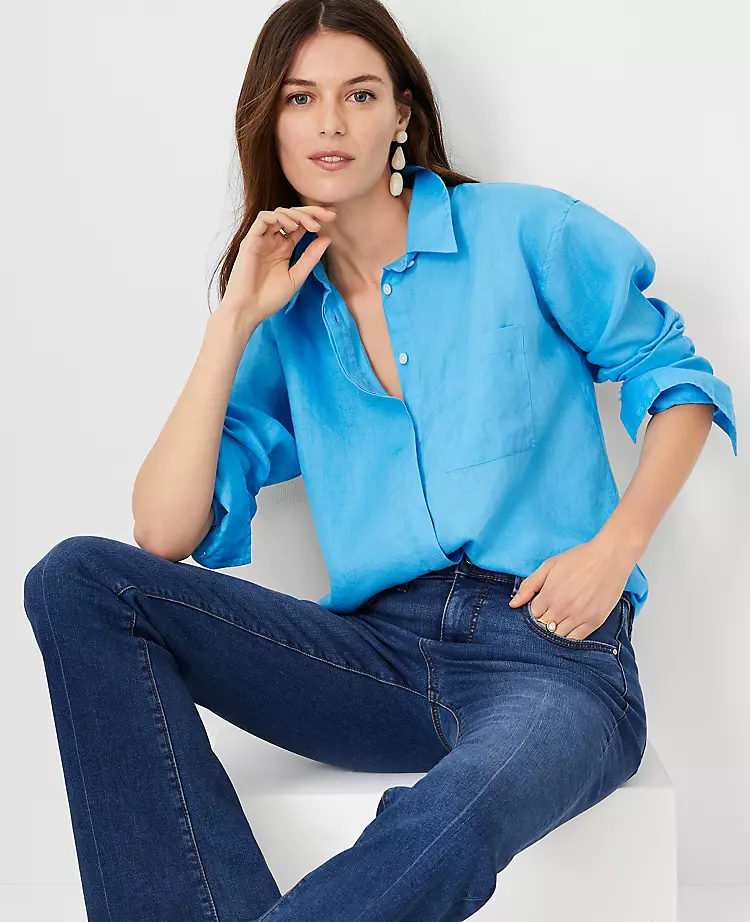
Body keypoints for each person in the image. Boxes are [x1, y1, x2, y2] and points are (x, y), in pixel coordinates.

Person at [23, 1, 737, 921]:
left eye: (359, 95)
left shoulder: (525, 230)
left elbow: (675, 381)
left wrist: (615, 548)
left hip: (553, 654)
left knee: (451, 822)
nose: (330, 123)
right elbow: (162, 531)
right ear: (269, 122)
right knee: (80, 581)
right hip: (373, 659)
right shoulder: (285, 318)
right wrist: (233, 319)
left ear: (402, 112)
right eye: (300, 98)